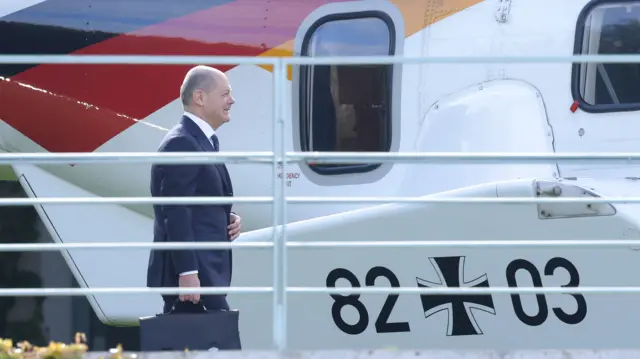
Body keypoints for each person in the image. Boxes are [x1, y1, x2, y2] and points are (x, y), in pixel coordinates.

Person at [147, 65, 241, 312]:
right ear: (200, 98)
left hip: (205, 278)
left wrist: (226, 218)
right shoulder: (182, 143)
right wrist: (188, 272)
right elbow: (175, 211)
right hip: (194, 282)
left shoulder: (199, 141)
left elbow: (194, 202)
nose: (232, 100)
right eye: (225, 94)